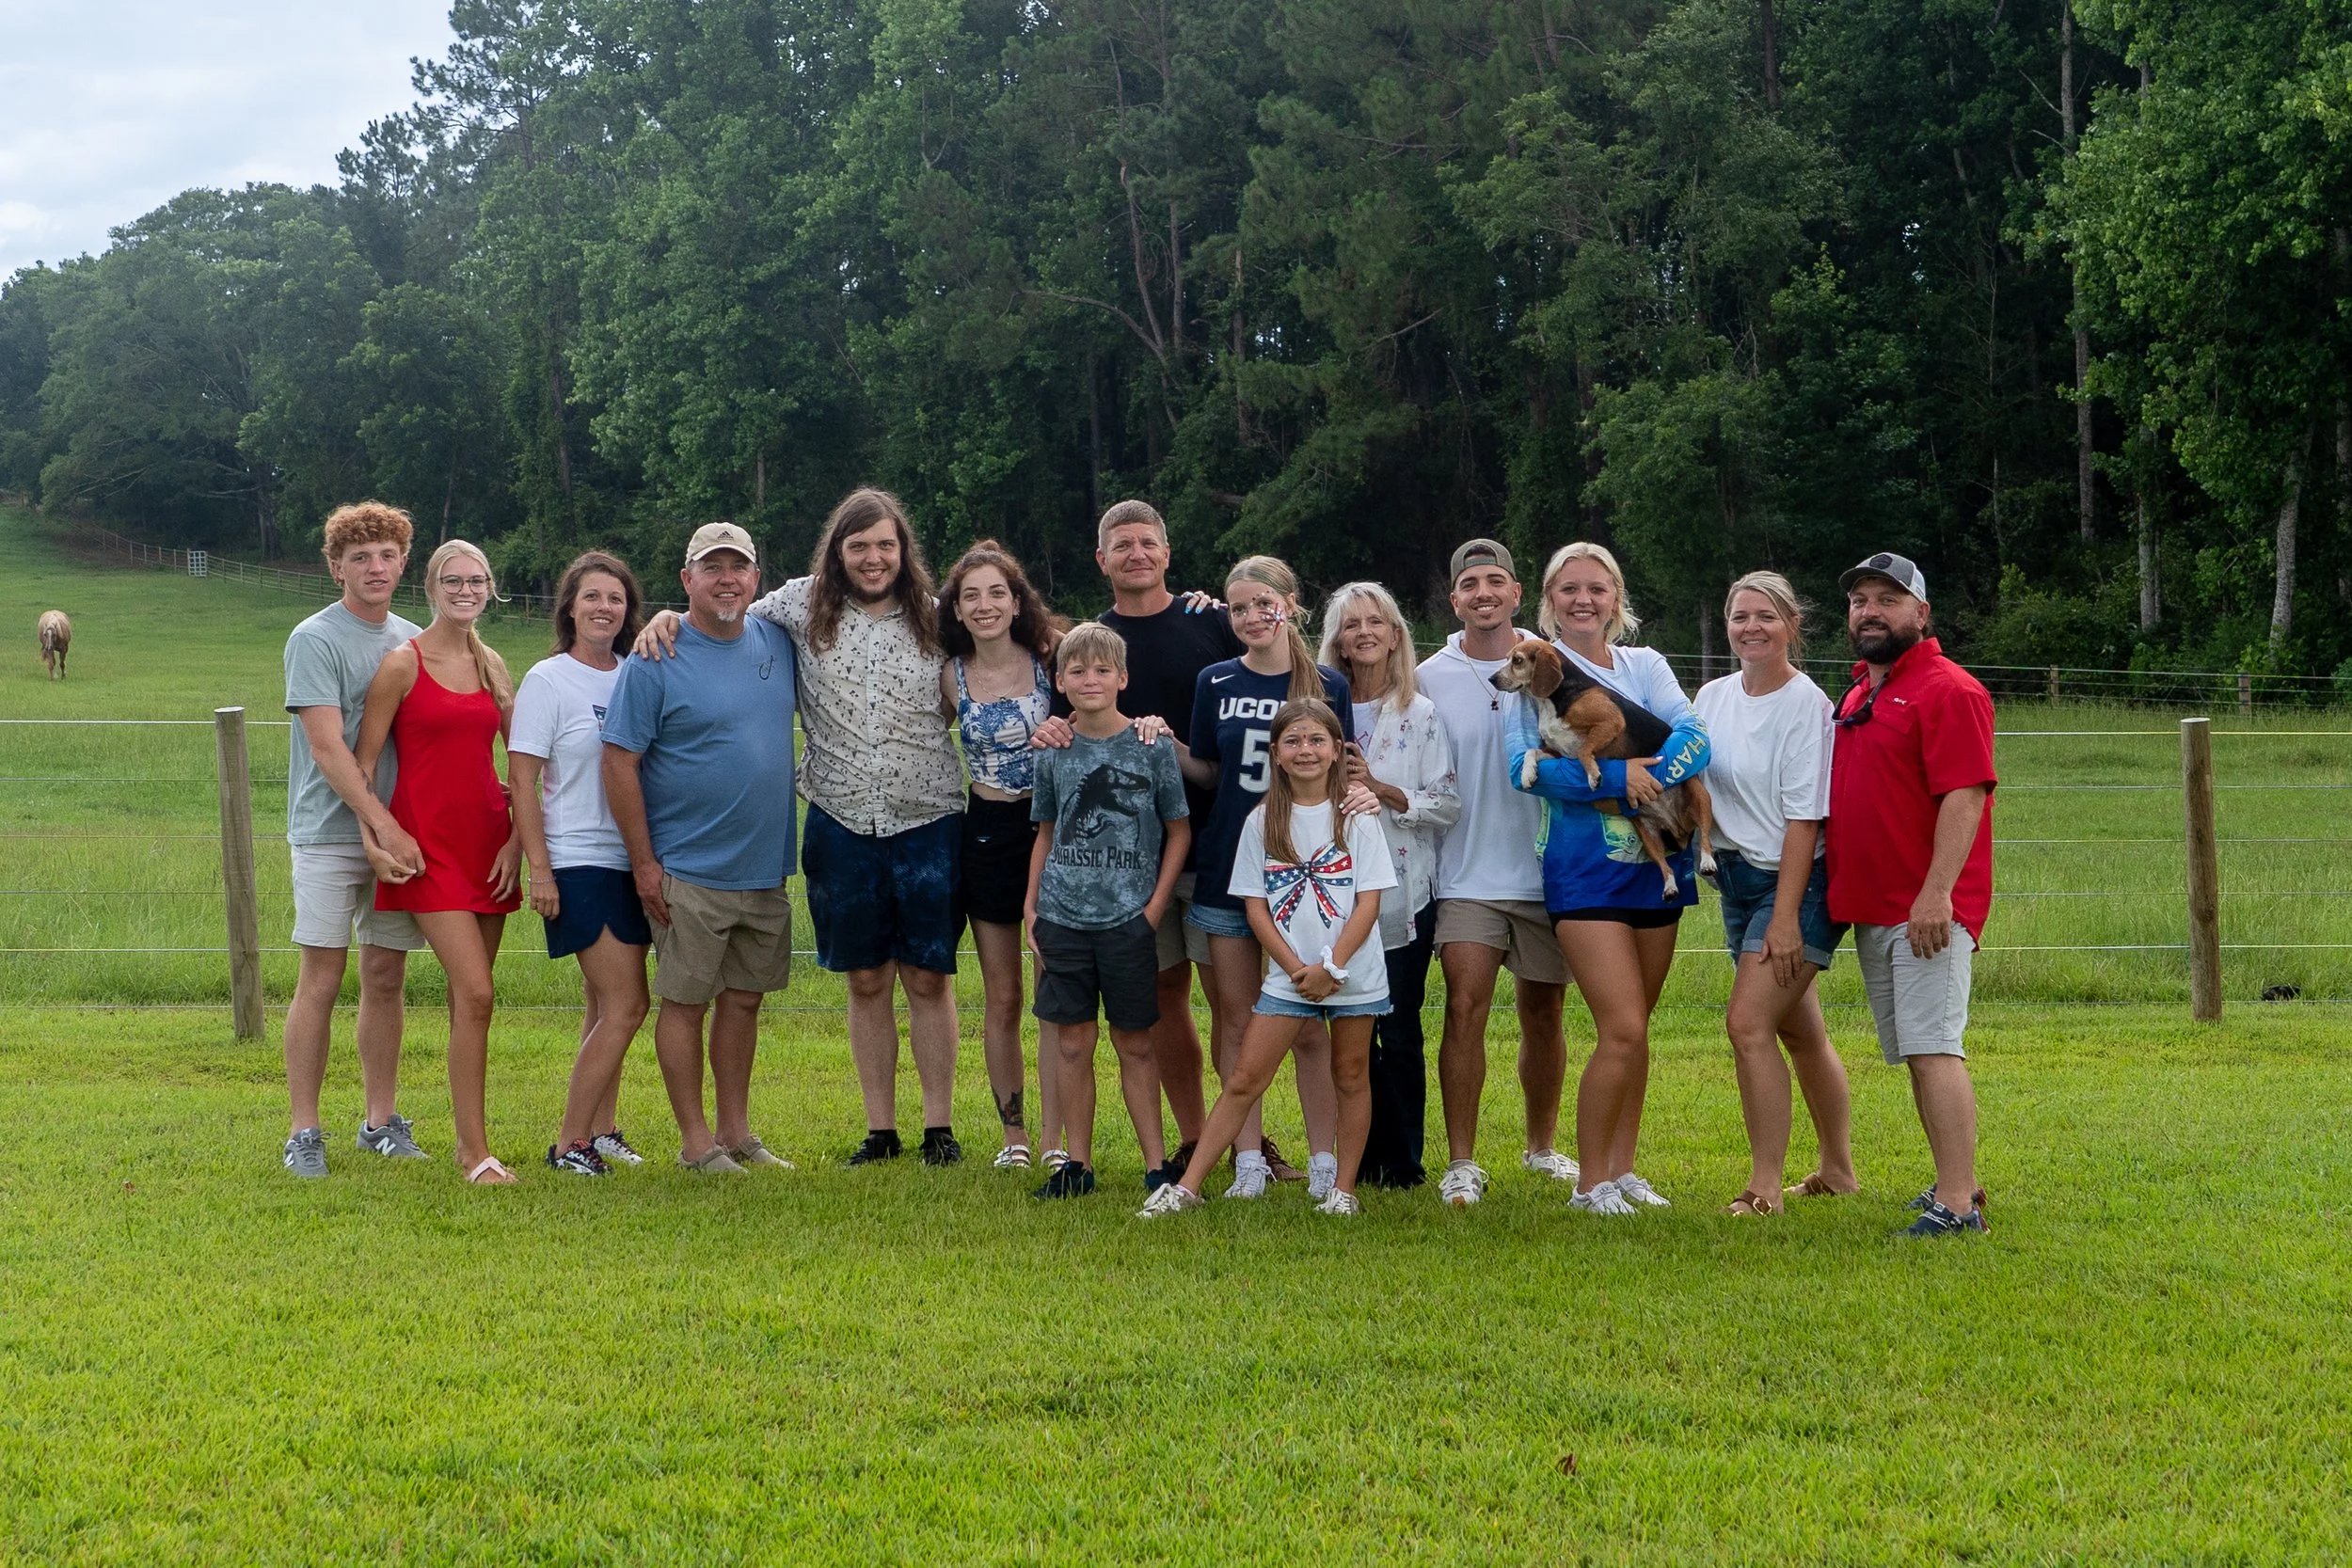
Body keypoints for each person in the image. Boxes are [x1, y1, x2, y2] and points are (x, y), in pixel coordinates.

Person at [637, 489, 967, 1166]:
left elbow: (1017, 639)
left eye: (885, 545)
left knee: (929, 978)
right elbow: (718, 615)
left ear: (903, 551)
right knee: (866, 978)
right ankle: (881, 1129)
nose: (873, 559)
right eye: (858, 546)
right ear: (837, 553)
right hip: (840, 820)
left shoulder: (939, 620)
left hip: (929, 818)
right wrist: (665, 617)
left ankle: (939, 1128)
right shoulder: (795, 606)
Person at [1029, 499, 1243, 1180]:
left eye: (1148, 542)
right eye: (1122, 545)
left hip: (1215, 843)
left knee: (1232, 1005)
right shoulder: (1093, 640)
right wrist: (1050, 727)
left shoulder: (1210, 620)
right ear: (1102, 559)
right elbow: (1061, 722)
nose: (1136, 553)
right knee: (1164, 1003)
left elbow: (1268, 660)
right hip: (1122, 876)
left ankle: (1247, 1148)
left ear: (1167, 552)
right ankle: (1189, 1138)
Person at [1504, 541, 1708, 1216]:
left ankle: (1623, 1172)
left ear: (1616, 599)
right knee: (1620, 1026)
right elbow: (1522, 768)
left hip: (1660, 866)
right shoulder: (1532, 667)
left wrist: (1664, 770)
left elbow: (1695, 734)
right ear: (1549, 600)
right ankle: (1589, 1182)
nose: (1583, 599)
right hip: (1582, 871)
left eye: (1597, 587)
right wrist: (1622, 774)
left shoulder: (1645, 665)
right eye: (1569, 589)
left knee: (1637, 1031)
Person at [1141, 700, 1397, 1220]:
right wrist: (1296, 968)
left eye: (1317, 741)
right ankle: (1187, 1189)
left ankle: (1342, 1189)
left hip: (1354, 975)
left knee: (1351, 1076)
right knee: (1244, 1079)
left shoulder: (1357, 815)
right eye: (1294, 741)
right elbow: (1255, 908)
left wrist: (1333, 967)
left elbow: (1368, 902)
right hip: (1289, 978)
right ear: (1275, 753)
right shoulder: (1262, 820)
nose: (1306, 750)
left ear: (1335, 751)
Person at [603, 523, 801, 1174]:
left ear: (755, 579)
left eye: (737, 567)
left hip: (764, 869)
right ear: (686, 579)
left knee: (744, 998)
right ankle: (695, 1142)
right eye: (710, 567)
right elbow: (620, 762)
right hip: (688, 869)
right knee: (685, 1001)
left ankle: (737, 1131)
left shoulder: (777, 639)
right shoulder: (655, 656)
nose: (726, 579)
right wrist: (644, 864)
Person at [1825, 551, 1995, 1238]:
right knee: (1915, 1052)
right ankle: (1956, 1184)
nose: (1871, 610)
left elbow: (1965, 794)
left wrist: (1937, 894)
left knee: (1935, 1048)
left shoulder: (1950, 690)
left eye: (1888, 599)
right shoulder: (1863, 692)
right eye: (1861, 599)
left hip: (1925, 910)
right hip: (1879, 905)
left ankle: (1956, 1207)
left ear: (1921, 614)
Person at [1183, 555, 1359, 1200]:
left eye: (1264, 603)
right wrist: (1150, 737)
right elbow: (1206, 771)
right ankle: (1248, 1159)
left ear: (1291, 603)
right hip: (1232, 866)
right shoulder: (1215, 680)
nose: (1253, 616)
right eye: (1238, 607)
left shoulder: (1328, 685)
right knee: (1235, 1018)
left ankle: (1320, 1160)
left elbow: (1344, 772)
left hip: (1304, 877)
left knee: (1307, 1018)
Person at [354, 539, 525, 1185]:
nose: (465, 589)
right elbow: (363, 766)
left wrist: (515, 840)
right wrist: (377, 838)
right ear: (429, 587)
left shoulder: (493, 665)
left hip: (489, 846)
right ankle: (475, 1154)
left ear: (489, 588)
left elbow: (523, 762)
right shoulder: (403, 664)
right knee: (478, 991)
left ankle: (469, 1139)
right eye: (452, 579)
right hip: (427, 852)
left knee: (469, 1001)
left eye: (476, 579)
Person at [1415, 539, 1576, 1206]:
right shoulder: (1428, 675)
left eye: (1497, 581)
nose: (1483, 592)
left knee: (1545, 1013)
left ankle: (1541, 1146)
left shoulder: (1553, 662)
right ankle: (1461, 1160)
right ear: (1454, 599)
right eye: (1469, 583)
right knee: (1464, 1007)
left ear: (1516, 594)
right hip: (1465, 875)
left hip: (1546, 872)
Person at [1692, 571, 1854, 1215]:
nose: (1751, 627)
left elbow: (1804, 820)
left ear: (1792, 625)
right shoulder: (1711, 695)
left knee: (1747, 1022)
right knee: (1802, 1032)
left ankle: (1764, 1187)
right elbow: (1691, 778)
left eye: (1765, 616)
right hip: (1734, 878)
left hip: (1796, 882)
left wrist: (1785, 917)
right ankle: (1838, 1170)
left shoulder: (1807, 705)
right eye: (1739, 616)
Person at [279, 501, 429, 1178]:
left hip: (397, 837)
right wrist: (381, 823)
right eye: (360, 556)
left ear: (404, 562)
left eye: (388, 554)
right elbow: (327, 748)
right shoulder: (314, 638)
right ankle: (304, 1131)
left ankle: (379, 1120)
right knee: (322, 976)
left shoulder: (414, 638)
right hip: (330, 832)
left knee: (386, 973)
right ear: (336, 565)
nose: (376, 566)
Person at [1023, 624, 1191, 1198]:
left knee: (1136, 1042)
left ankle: (1154, 1165)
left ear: (1123, 678)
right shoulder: (1055, 750)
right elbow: (1045, 832)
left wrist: (1154, 907)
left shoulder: (1150, 746)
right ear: (1061, 681)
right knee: (1072, 1042)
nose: (1089, 680)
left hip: (1127, 918)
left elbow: (1178, 829)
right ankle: (1078, 1164)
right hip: (1063, 915)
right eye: (1077, 671)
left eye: (1102, 670)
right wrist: (1032, 906)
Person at [512, 551, 653, 1177]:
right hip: (577, 859)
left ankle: (604, 1128)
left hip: (631, 858)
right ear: (569, 605)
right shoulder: (548, 679)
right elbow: (521, 781)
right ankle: (569, 1142)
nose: (605, 608)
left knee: (602, 1004)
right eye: (592, 596)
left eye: (616, 599)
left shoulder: (634, 673)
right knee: (628, 1003)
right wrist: (539, 869)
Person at [1321, 580, 1458, 1189]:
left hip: (1403, 891)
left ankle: (1402, 1161)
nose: (1365, 632)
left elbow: (1447, 803)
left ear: (1396, 633)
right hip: (1329, 895)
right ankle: (1358, 1154)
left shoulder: (1420, 714)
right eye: (1352, 625)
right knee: (1347, 1031)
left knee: (1398, 1028)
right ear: (1339, 641)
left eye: (1376, 621)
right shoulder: (1318, 709)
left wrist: (1382, 789)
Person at [939, 540, 1065, 1170]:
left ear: (1017, 601)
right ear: (956, 610)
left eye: (996, 593)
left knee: (1053, 992)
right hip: (986, 832)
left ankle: (1056, 1138)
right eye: (971, 596)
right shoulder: (948, 672)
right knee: (1004, 995)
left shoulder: (1053, 656)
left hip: (1054, 829)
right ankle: (1014, 1135)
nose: (984, 605)